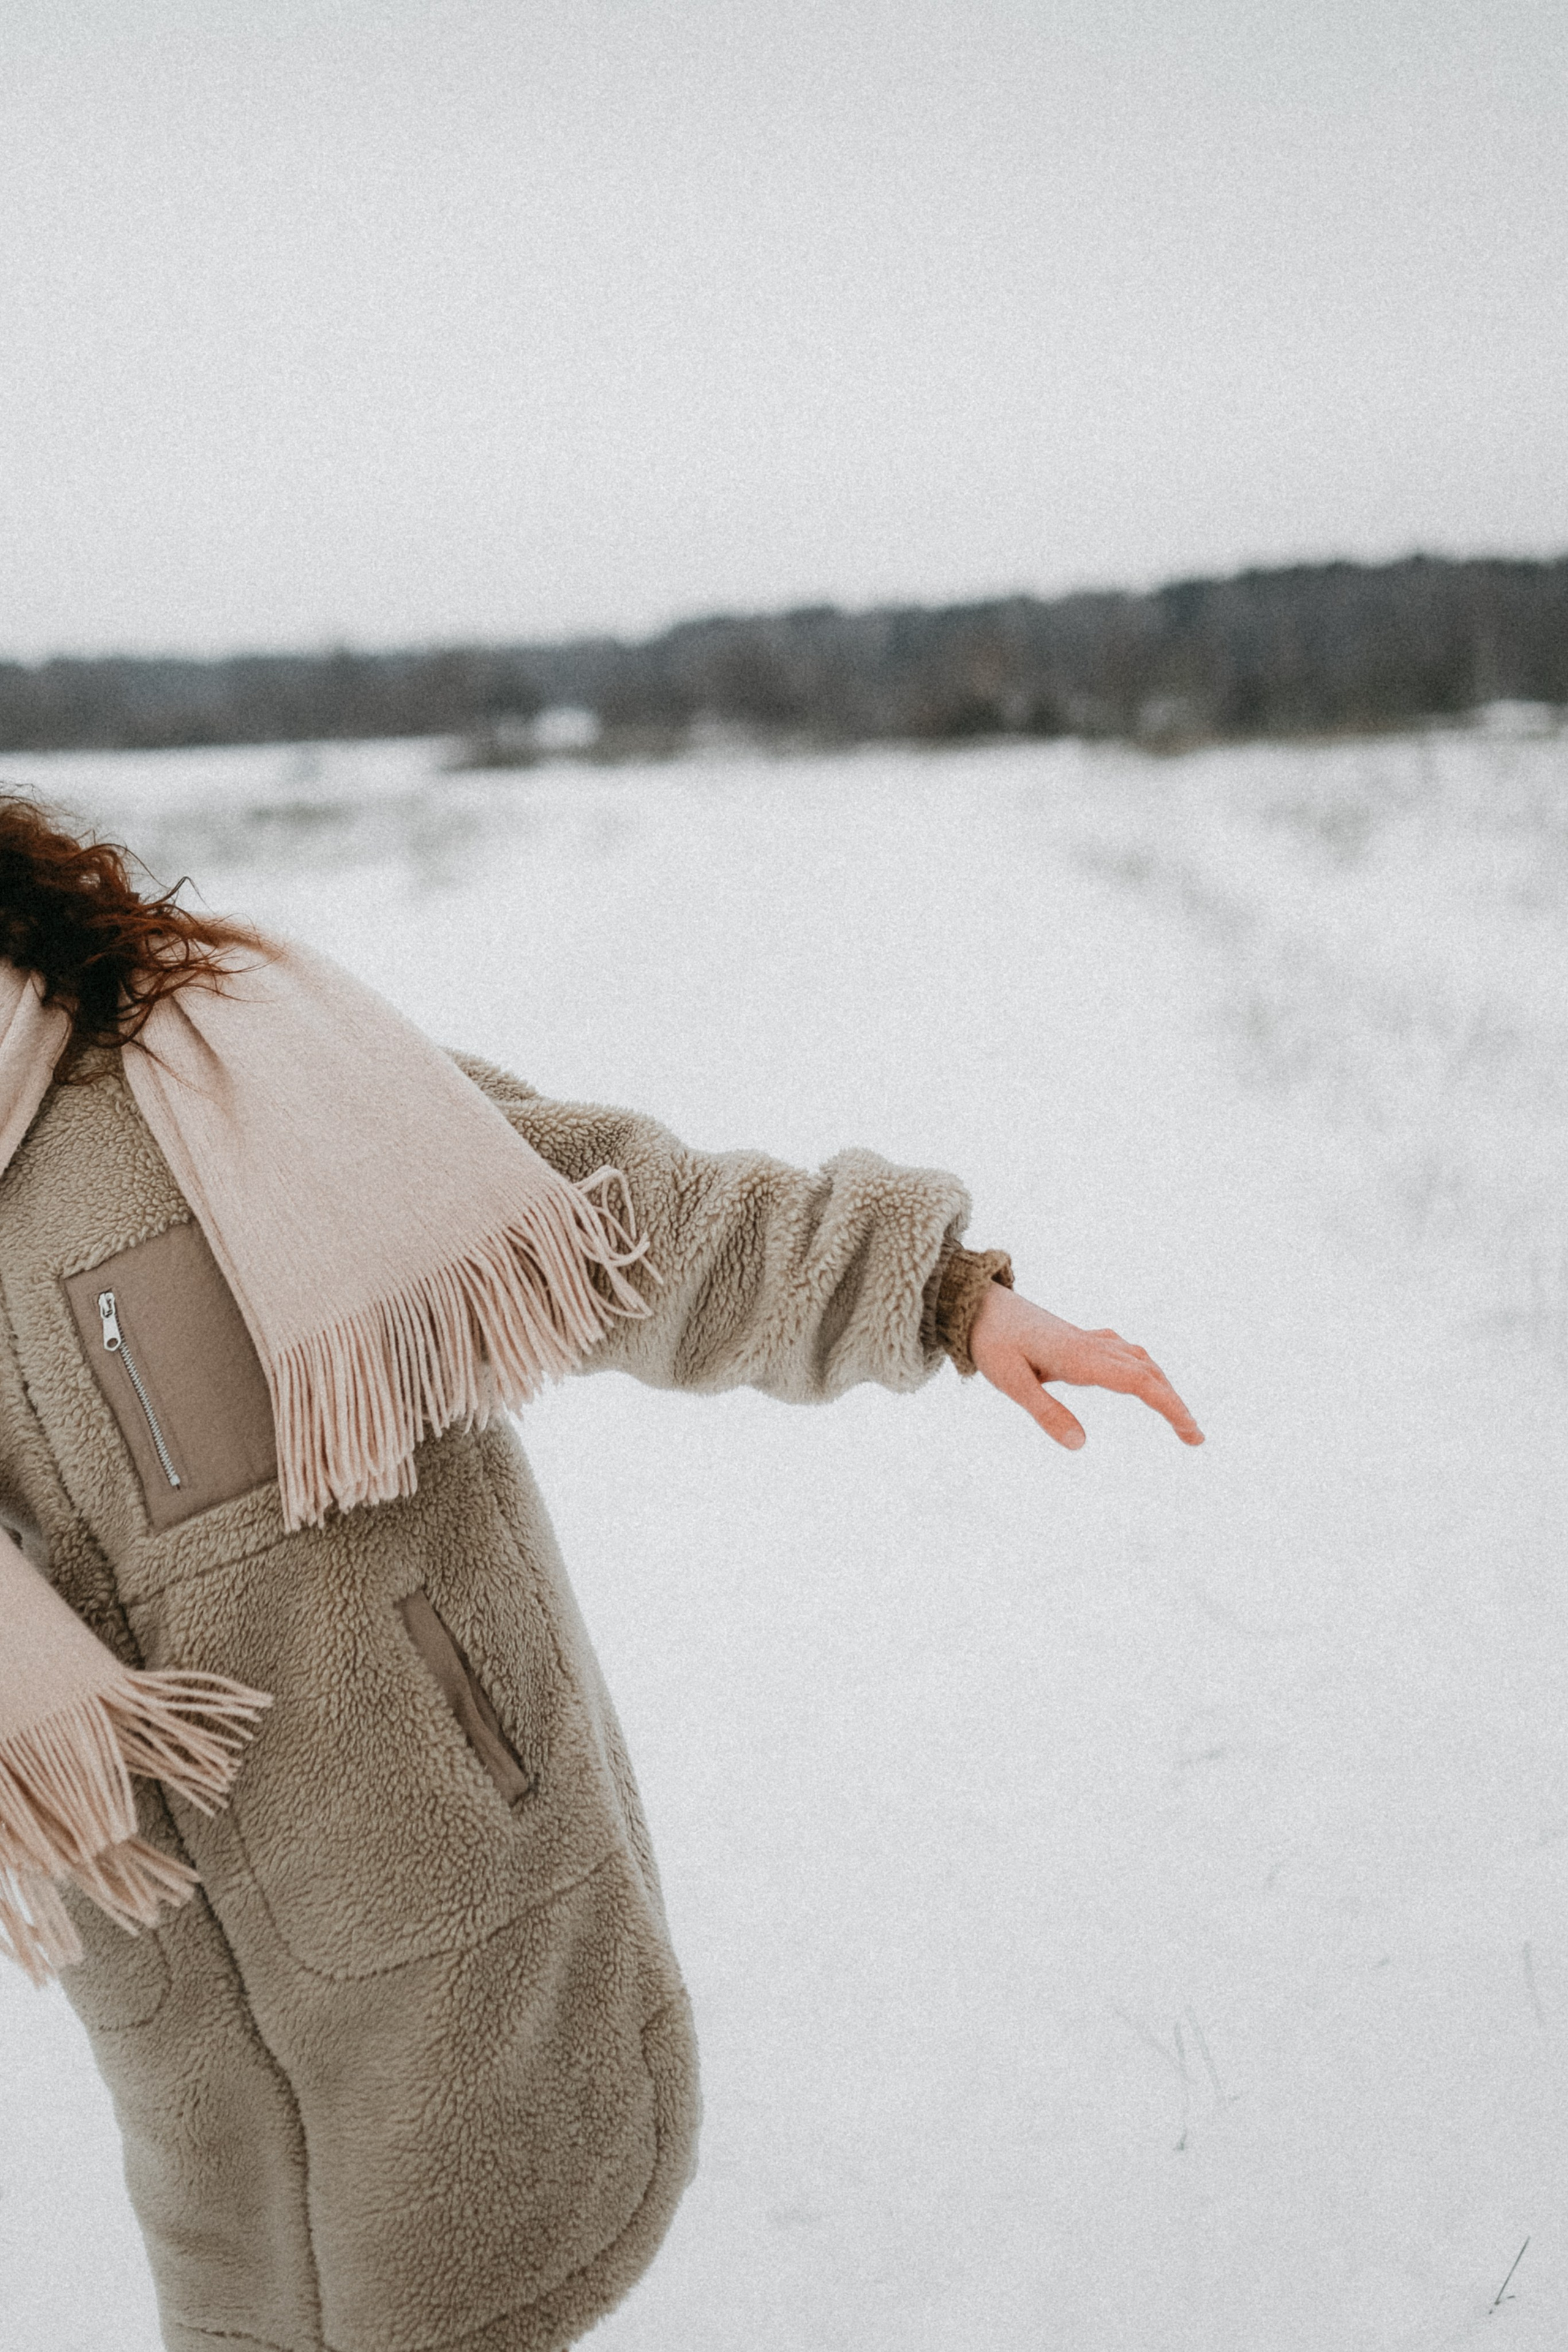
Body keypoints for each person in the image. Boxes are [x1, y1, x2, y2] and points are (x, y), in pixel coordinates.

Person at [0, 791, 1202, 2352]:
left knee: (471, 2273)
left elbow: (617, 1219)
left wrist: (938, 1298)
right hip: (175, 2008)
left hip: (428, 1873)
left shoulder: (209, 1069)